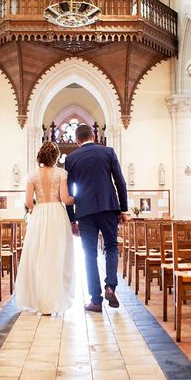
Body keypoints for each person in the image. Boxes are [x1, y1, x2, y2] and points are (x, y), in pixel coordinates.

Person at [65, 124, 128, 313]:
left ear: (77, 140)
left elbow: (69, 192)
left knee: (90, 255)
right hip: (109, 208)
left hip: (85, 212)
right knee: (111, 247)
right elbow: (120, 181)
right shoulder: (108, 152)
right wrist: (123, 209)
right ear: (94, 136)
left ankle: (96, 300)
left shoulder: (71, 158)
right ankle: (110, 286)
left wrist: (72, 220)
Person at [14, 142, 75, 315]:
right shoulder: (61, 173)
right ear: (56, 157)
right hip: (57, 213)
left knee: (38, 255)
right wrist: (78, 198)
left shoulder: (32, 175)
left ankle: (41, 301)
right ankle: (53, 300)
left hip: (39, 214)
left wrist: (37, 209)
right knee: (56, 256)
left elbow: (28, 202)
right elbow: (65, 199)